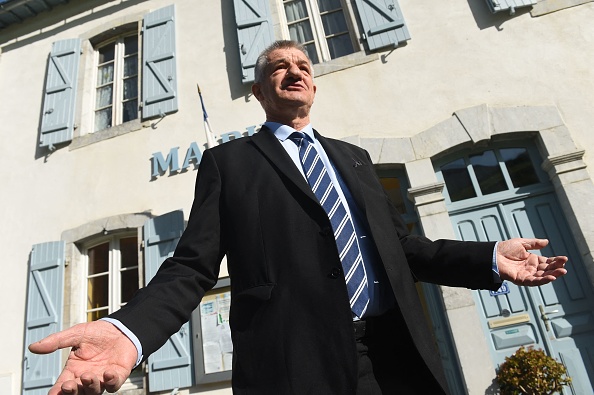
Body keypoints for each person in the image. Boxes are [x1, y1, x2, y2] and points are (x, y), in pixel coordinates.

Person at [29, 40, 568, 395]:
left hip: (394, 355)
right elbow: (191, 266)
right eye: (278, 67)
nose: (295, 72)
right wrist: (129, 331)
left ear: (313, 84)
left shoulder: (353, 159)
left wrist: (489, 257)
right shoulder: (229, 163)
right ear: (259, 91)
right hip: (294, 365)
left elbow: (401, 248)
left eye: (303, 66)